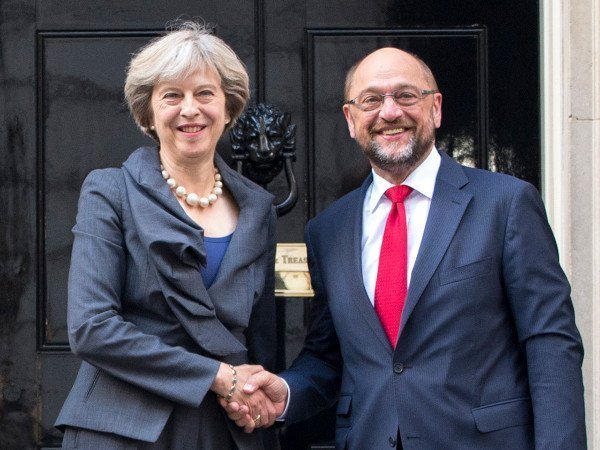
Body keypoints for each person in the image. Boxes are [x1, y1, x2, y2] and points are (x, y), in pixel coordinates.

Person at [222, 47, 587, 449]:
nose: (390, 112)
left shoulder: (505, 204)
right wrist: (287, 393)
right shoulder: (328, 230)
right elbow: (329, 356)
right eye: (371, 100)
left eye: (406, 95)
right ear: (350, 119)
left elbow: (549, 341)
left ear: (436, 108)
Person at [54, 21, 280, 449]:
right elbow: (91, 328)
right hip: (123, 429)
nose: (190, 109)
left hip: (225, 428)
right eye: (172, 95)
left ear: (228, 108)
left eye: (205, 93)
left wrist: (256, 398)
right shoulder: (110, 192)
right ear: (149, 113)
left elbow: (260, 341)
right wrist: (216, 376)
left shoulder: (258, 209)